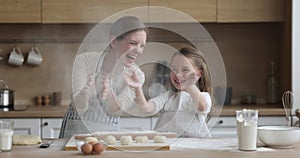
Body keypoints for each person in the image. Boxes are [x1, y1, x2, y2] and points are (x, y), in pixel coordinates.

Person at [59, 16, 148, 138]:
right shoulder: (84, 61)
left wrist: (109, 92)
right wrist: (86, 94)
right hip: (74, 134)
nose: (138, 51)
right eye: (133, 43)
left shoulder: (136, 75)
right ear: (114, 41)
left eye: (142, 46)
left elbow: (116, 110)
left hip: (107, 137)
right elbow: (77, 106)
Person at [125, 46, 213, 138]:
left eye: (185, 70)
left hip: (195, 149)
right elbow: (146, 109)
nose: (178, 74)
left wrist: (190, 84)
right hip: (168, 148)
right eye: (174, 69)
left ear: (198, 75)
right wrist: (137, 87)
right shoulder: (168, 97)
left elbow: (202, 106)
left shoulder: (203, 97)